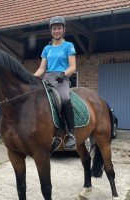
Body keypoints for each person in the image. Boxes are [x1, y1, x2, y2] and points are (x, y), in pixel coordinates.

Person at [34, 16, 76, 149]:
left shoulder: (68, 46)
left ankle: (71, 134)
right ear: (51, 30)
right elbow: (42, 68)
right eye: (54, 28)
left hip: (61, 78)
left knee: (64, 99)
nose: (56, 31)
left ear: (64, 30)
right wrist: (30, 78)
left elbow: (73, 66)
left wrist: (64, 75)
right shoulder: (47, 48)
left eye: (59, 28)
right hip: (47, 77)